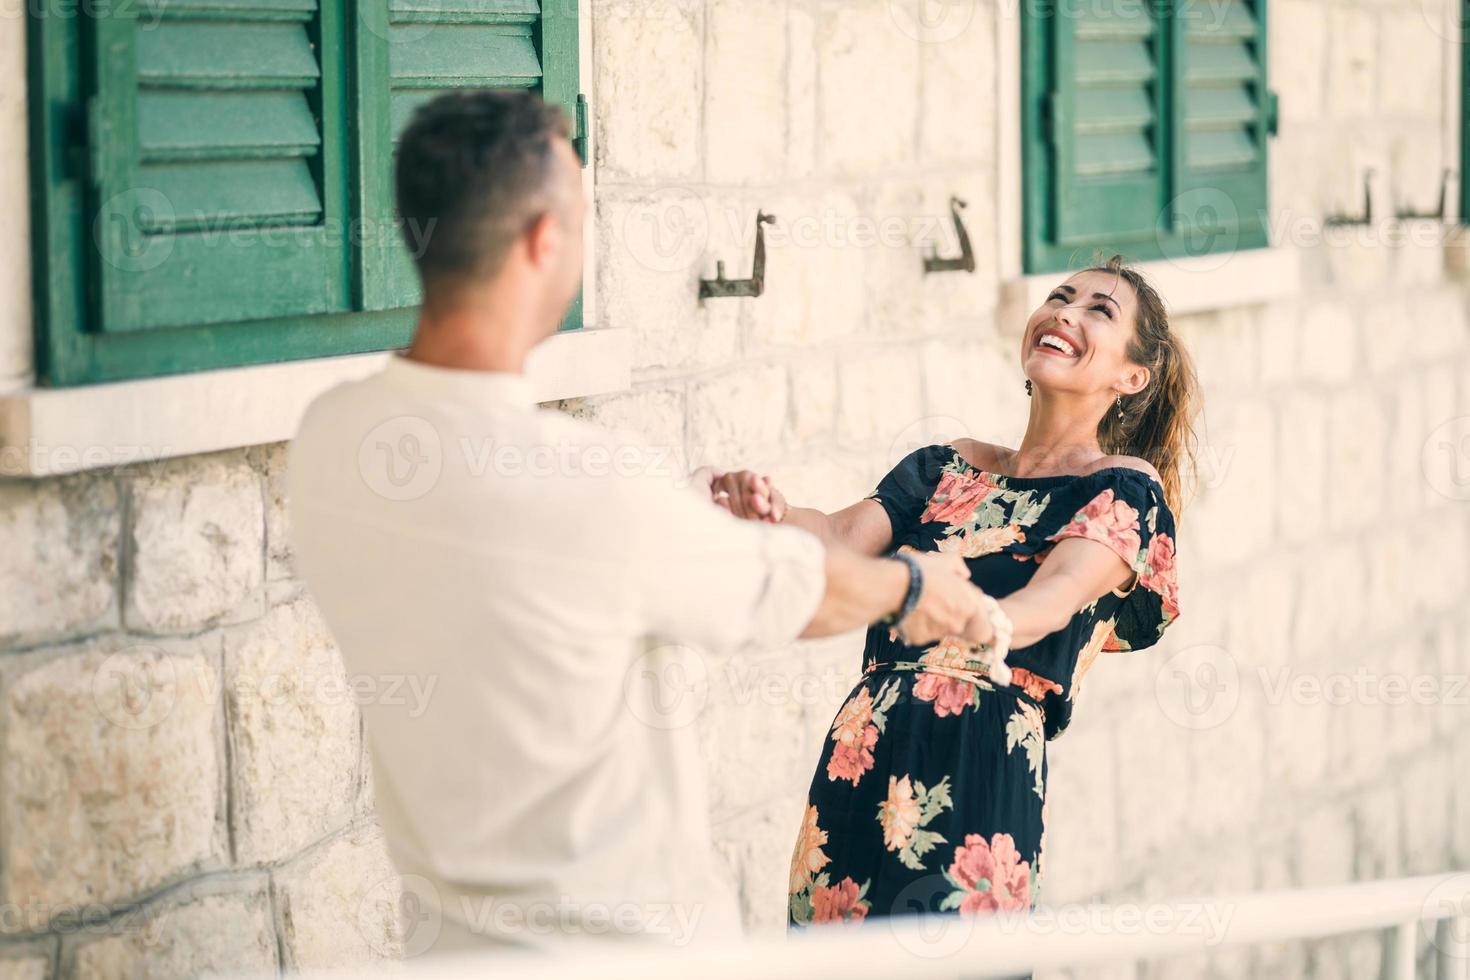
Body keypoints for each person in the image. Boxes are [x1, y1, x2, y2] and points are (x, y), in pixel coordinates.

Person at [286, 90, 991, 955]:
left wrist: (676, 514)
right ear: (544, 242)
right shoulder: (581, 482)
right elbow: (798, 593)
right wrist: (917, 584)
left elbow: (521, 570)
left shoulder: (331, 441)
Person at [712, 256, 1196, 925]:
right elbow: (839, 534)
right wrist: (764, 509)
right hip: (867, 746)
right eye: (1059, 296)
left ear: (1131, 376)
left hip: (980, 754)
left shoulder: (1123, 490)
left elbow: (1051, 600)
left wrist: (959, 612)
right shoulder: (946, 466)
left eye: (1098, 310)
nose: (1064, 312)